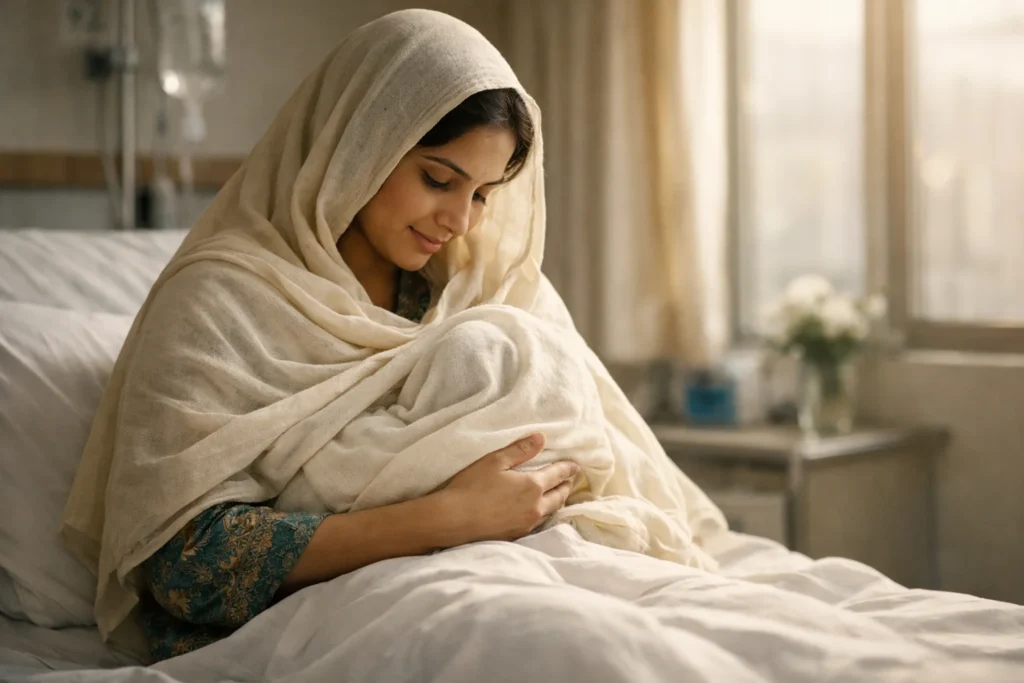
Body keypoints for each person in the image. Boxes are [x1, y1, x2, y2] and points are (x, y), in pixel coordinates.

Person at [62, 9, 725, 663]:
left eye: (484, 193)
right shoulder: (220, 300)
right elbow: (189, 563)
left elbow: (596, 447)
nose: (460, 220)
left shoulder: (479, 283)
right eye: (438, 179)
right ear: (359, 144)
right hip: (342, 608)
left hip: (529, 569)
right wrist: (451, 515)